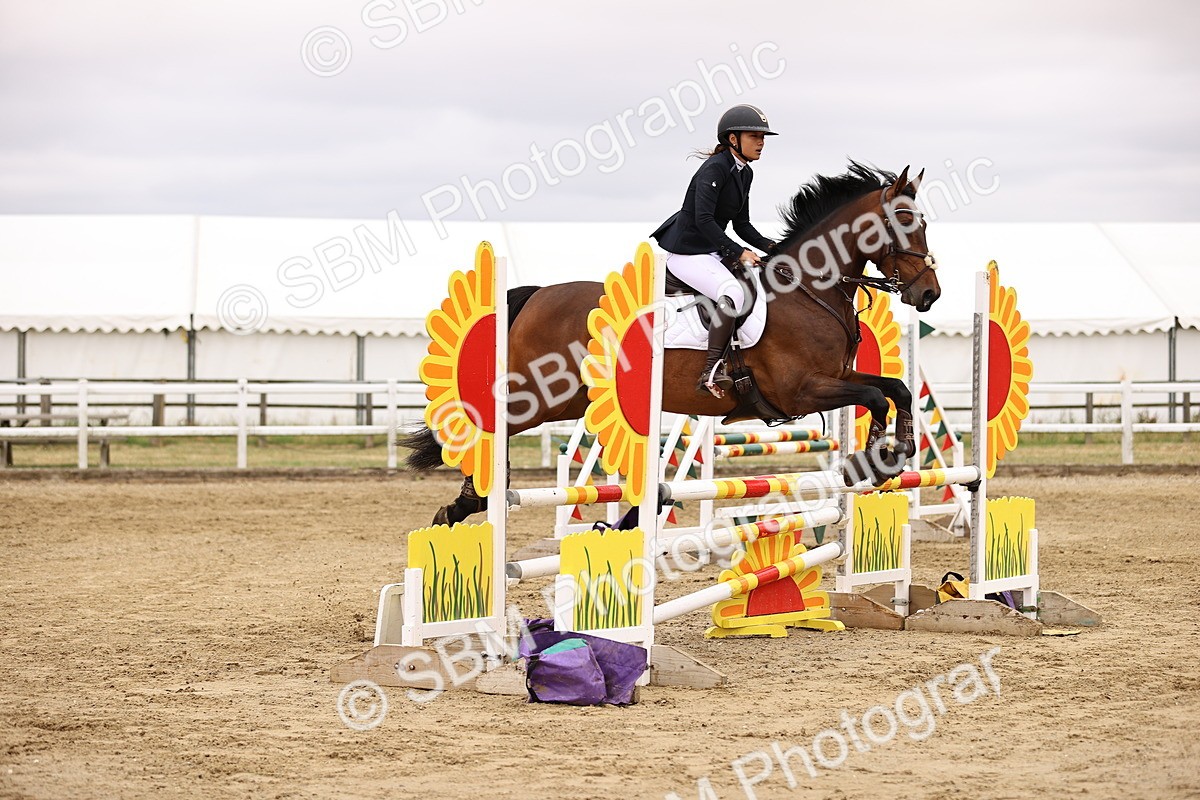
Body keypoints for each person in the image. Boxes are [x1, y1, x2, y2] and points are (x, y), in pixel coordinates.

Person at [650, 103, 778, 398]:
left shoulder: (744, 173)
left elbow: (742, 224)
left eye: (763, 137)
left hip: (712, 250)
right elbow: (703, 219)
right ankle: (710, 371)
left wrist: (776, 247)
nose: (761, 143)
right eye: (754, 136)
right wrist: (738, 252)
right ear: (733, 139)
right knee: (732, 292)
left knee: (755, 281)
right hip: (688, 252)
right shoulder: (715, 168)